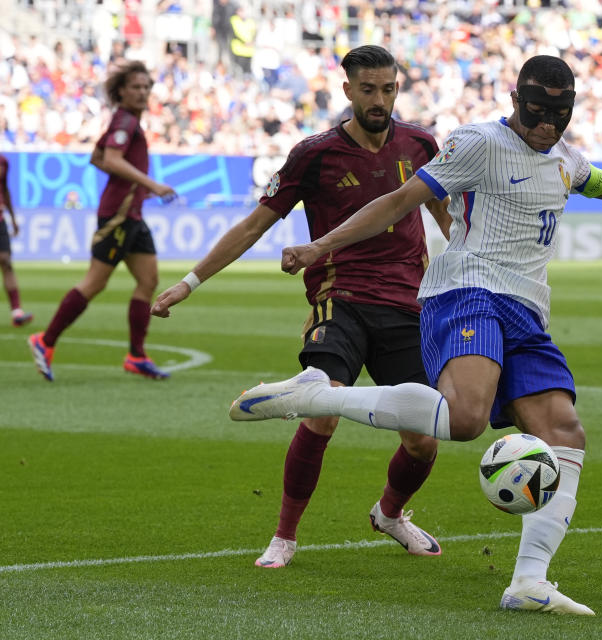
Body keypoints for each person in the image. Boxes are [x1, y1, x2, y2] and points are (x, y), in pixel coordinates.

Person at [228, 55, 602, 615]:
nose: (546, 124)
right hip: (466, 290)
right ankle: (317, 396)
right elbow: (398, 202)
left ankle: (528, 582)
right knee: (464, 418)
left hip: (526, 312)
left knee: (566, 435)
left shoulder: (568, 161)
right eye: (537, 111)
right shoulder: (477, 143)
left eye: (558, 114)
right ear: (515, 101)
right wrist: (322, 246)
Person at [151, 46, 451, 568]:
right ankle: (284, 536)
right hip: (342, 298)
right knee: (322, 409)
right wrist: (189, 282)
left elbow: (448, 218)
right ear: (347, 91)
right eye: (368, 90)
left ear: (397, 89)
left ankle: (390, 514)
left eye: (387, 89)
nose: (378, 100)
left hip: (408, 304)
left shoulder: (421, 144)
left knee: (424, 440)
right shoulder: (314, 154)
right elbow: (253, 225)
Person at [28, 61, 177, 382]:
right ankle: (45, 341)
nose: (142, 92)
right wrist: (151, 185)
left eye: (146, 87)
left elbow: (97, 157)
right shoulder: (125, 120)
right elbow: (109, 159)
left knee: (148, 280)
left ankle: (136, 356)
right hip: (119, 216)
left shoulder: (125, 121)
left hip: (132, 214)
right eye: (135, 87)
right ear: (121, 91)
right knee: (95, 282)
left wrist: (136, 188)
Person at [0, 153, 33, 327]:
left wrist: (12, 218)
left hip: (0, 219)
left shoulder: (3, 161)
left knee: (6, 261)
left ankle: (16, 312)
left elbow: (4, 189)